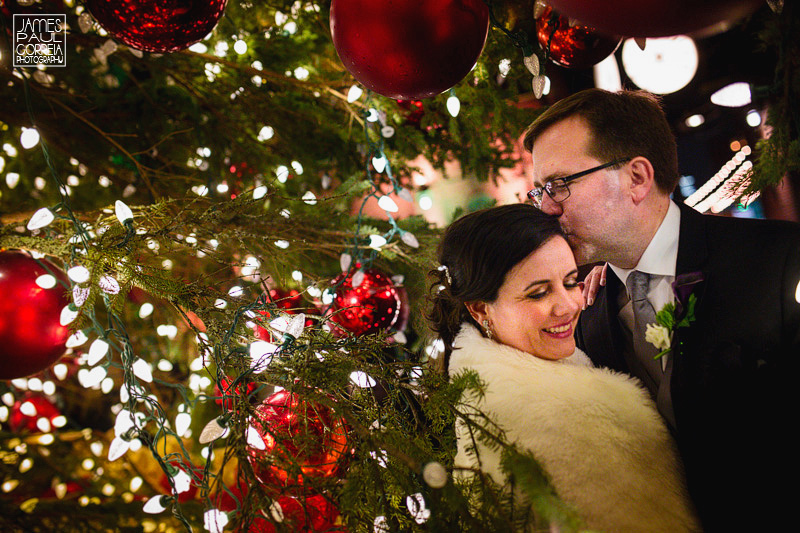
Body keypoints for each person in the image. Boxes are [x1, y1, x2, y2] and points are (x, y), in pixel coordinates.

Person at [523, 88, 800, 531]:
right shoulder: (584, 314)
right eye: (540, 192)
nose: (547, 208)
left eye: (560, 185)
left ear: (636, 177)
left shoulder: (779, 261)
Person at [428, 203, 700, 532]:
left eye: (571, 282)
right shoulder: (542, 414)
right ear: (480, 310)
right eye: (539, 293)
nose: (570, 305)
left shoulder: (509, 370)